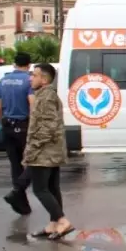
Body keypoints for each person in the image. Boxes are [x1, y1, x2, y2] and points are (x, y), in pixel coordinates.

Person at [23, 63, 75, 240]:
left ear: (44, 80)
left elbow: (48, 126)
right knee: (52, 188)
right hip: (51, 151)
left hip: (44, 153)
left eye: (34, 75)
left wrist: (33, 147)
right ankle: (53, 224)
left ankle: (62, 220)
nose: (31, 78)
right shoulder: (45, 95)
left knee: (40, 189)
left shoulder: (46, 97)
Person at [0, 52, 33, 215]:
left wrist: (1, 122)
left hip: (7, 126)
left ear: (14, 64)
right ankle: (17, 193)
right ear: (29, 65)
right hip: (23, 126)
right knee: (33, 162)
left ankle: (22, 205)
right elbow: (32, 104)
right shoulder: (28, 80)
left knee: (15, 165)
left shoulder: (3, 81)